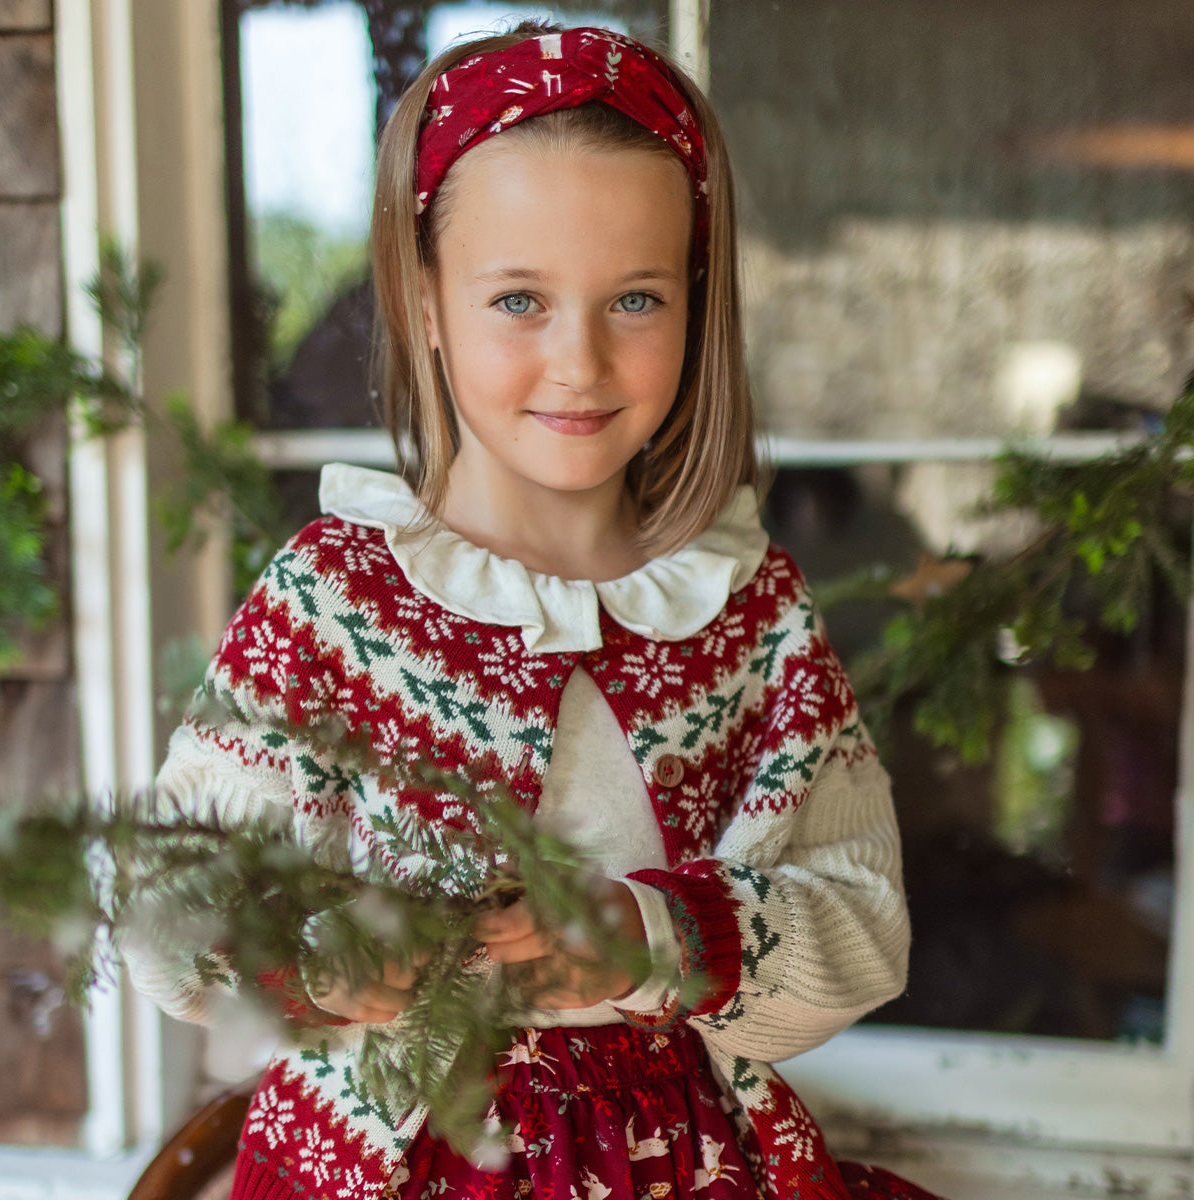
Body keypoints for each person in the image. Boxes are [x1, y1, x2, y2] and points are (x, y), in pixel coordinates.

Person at [127, 22, 945, 1200]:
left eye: (636, 300)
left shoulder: (744, 613)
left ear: (697, 301)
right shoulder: (339, 601)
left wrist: (656, 939)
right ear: (423, 298)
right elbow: (170, 904)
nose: (581, 363)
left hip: (680, 1166)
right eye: (519, 298)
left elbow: (862, 921)